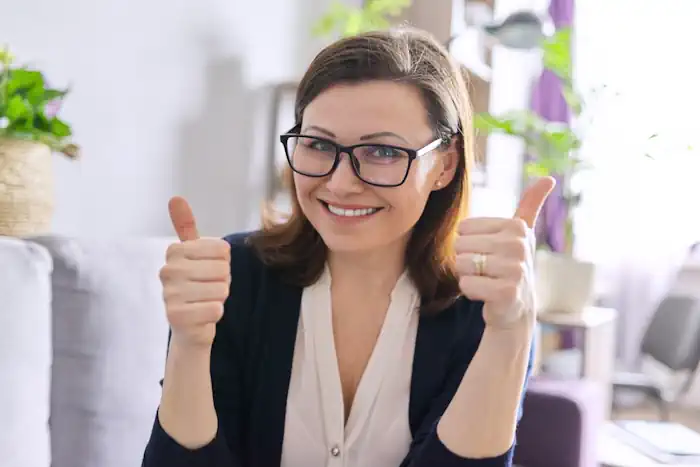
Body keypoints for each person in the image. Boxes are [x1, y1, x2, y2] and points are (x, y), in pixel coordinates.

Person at [141, 26, 555, 467]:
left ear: (444, 165)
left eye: (382, 152)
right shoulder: (234, 277)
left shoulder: (486, 307)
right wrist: (188, 344)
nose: (340, 184)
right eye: (319, 144)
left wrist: (511, 332)